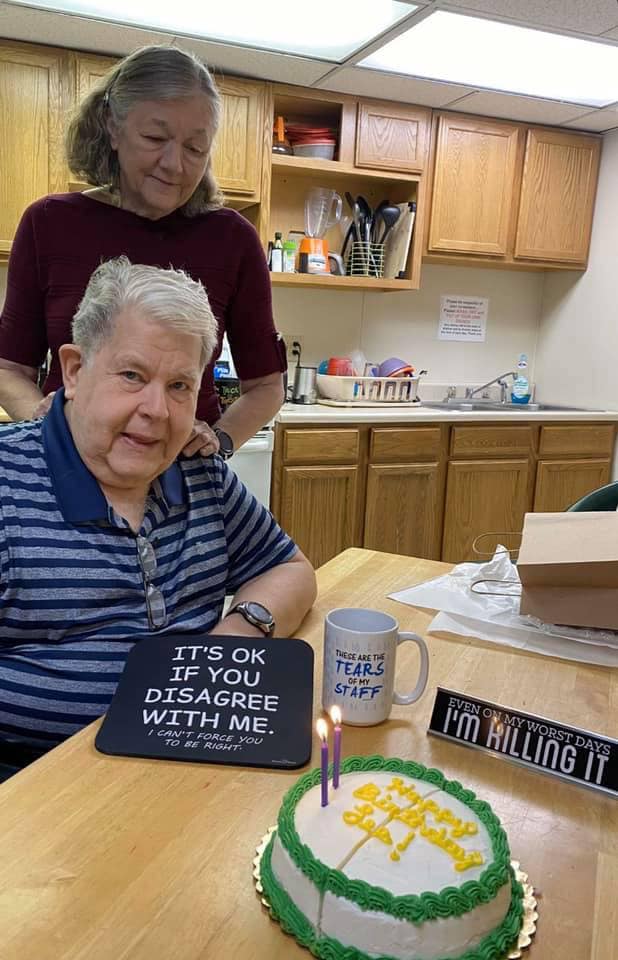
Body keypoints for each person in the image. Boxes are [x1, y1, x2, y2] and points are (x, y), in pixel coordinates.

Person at [0, 257, 316, 776]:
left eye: (179, 386)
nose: (157, 410)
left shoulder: (198, 471)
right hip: (44, 799)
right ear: (75, 371)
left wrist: (235, 639)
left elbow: (289, 569)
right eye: (132, 375)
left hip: (198, 770)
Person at [0, 44, 286, 459]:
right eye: (155, 138)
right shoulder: (48, 224)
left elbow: (266, 387)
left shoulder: (234, 240)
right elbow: (9, 368)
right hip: (64, 460)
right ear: (112, 129)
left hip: (181, 474)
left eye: (195, 148)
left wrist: (220, 440)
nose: (175, 165)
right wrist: (42, 419)